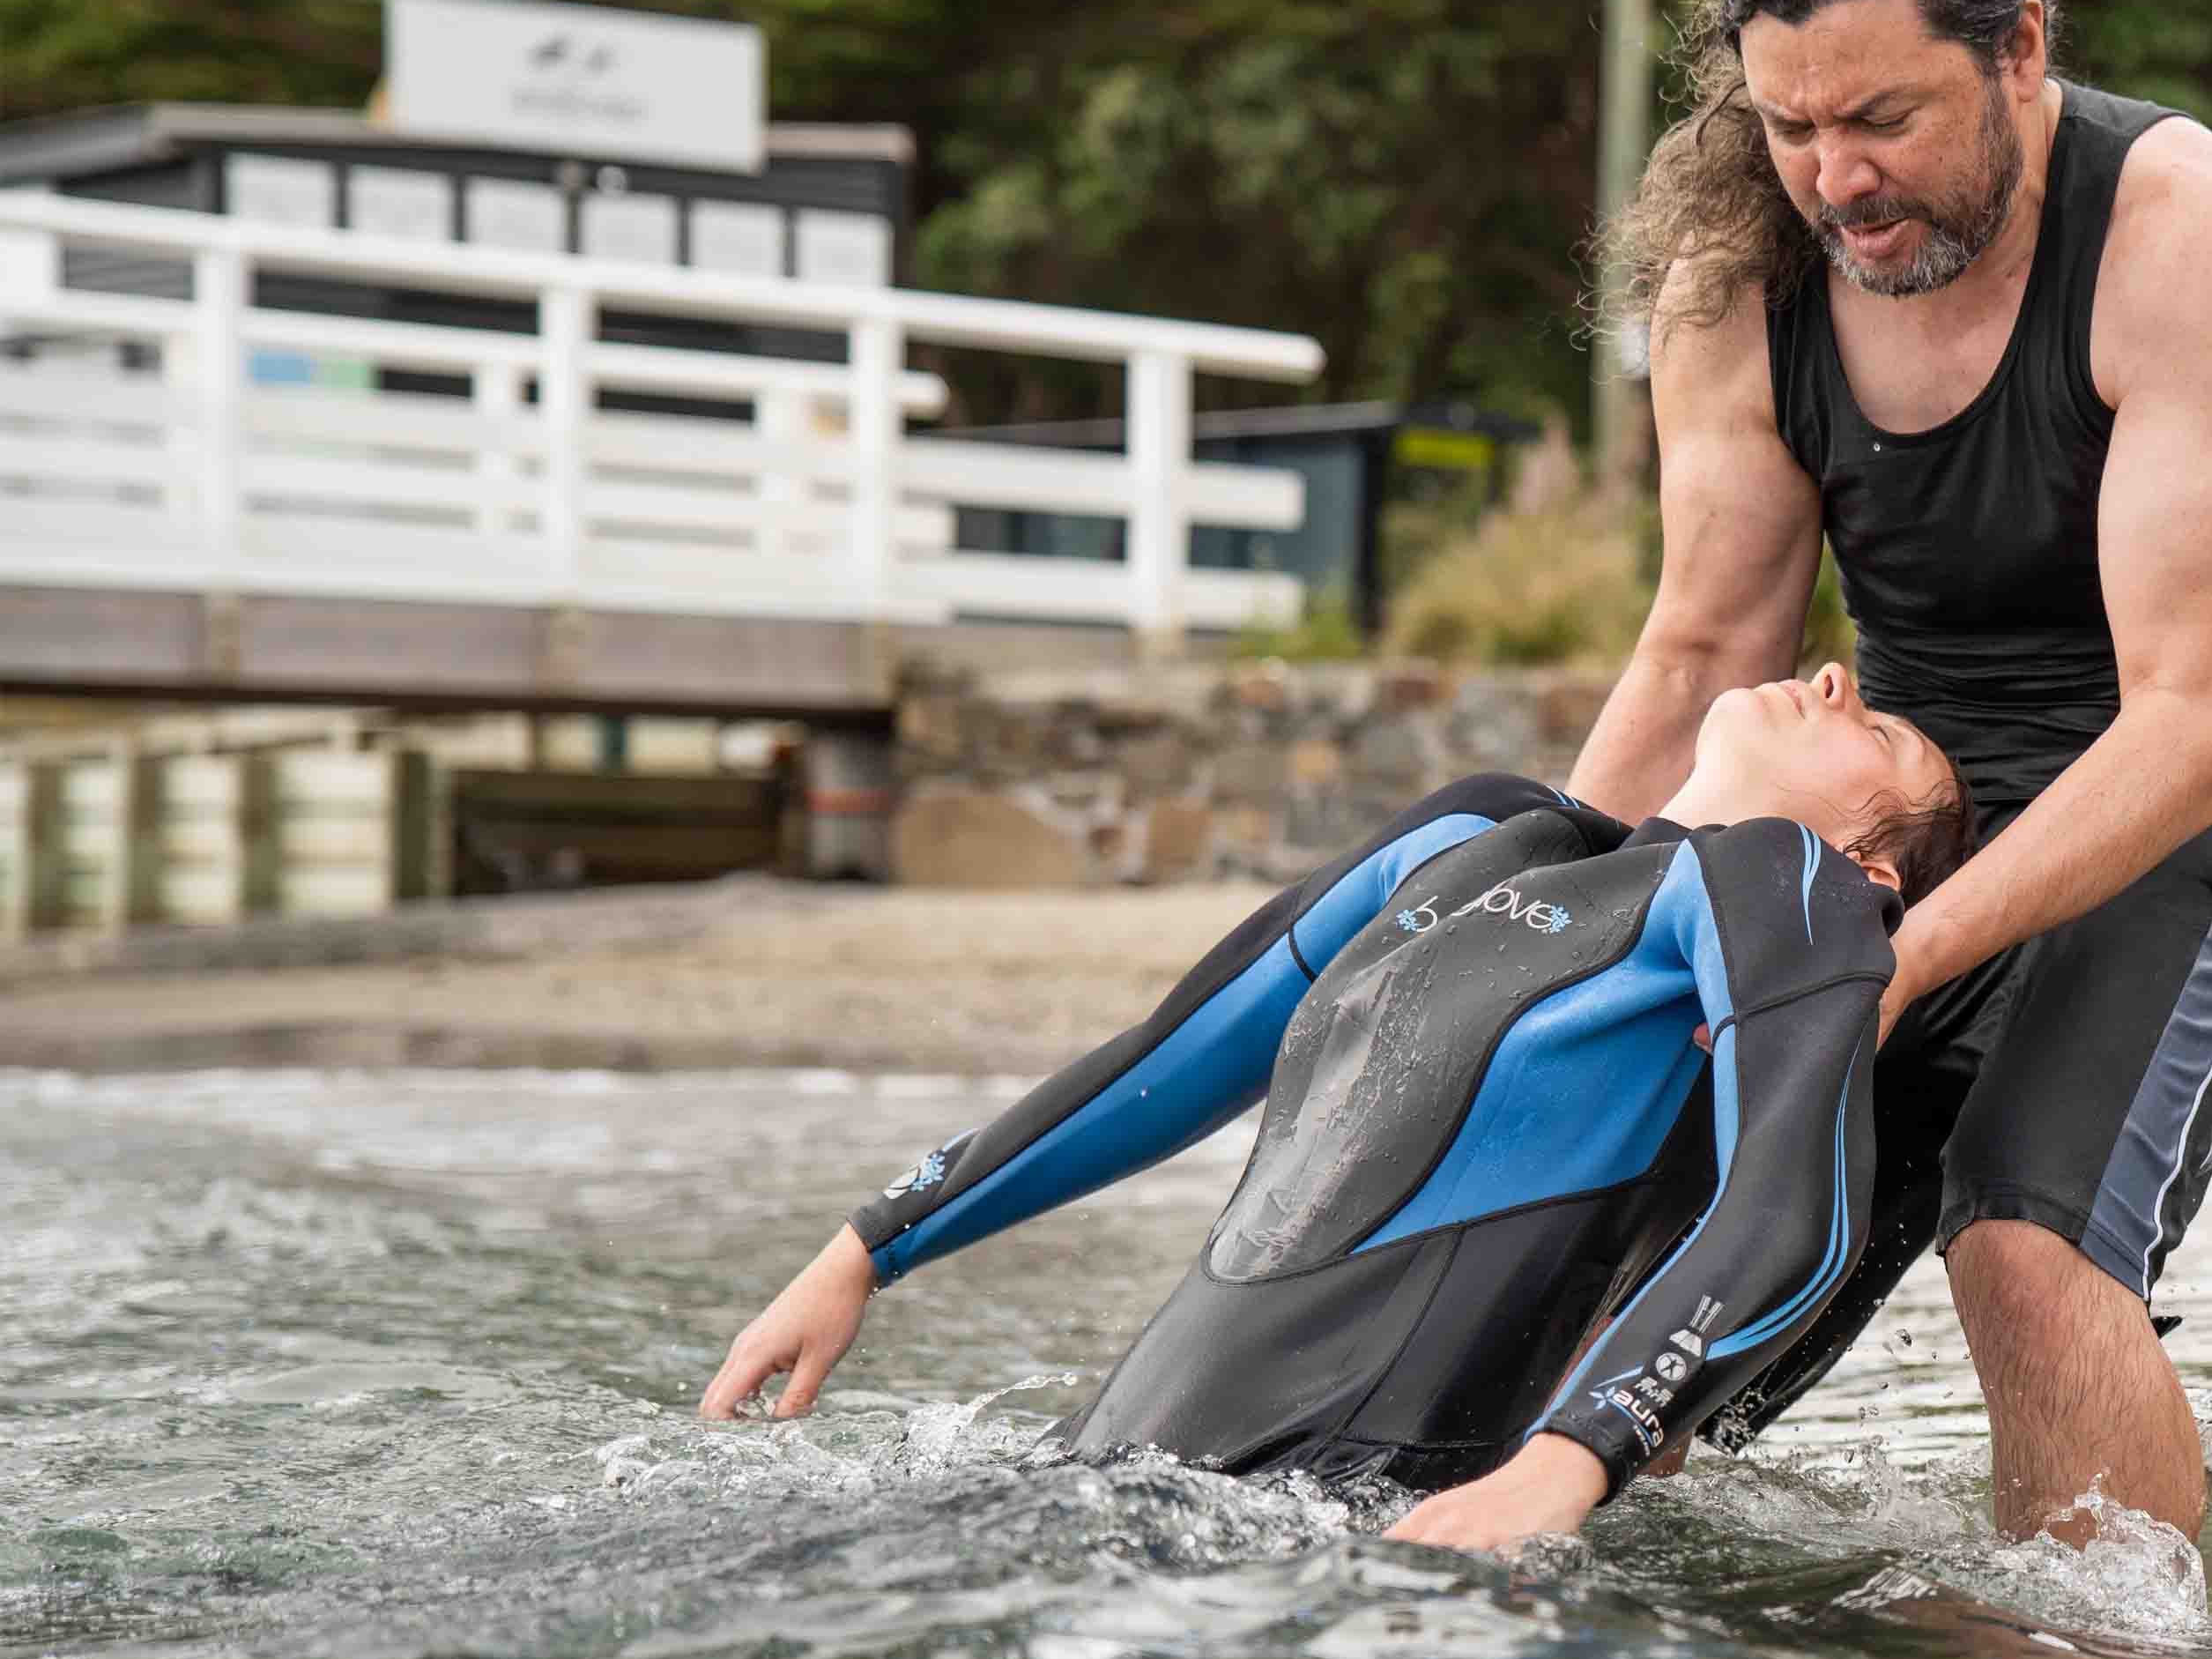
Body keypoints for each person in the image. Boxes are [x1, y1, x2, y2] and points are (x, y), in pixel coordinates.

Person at [1572, 0, 2212, 1546]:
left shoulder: (2188, 239)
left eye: (1884, 121)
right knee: (1624, 1249)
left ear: (2021, 50)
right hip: (1924, 786)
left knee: (2022, 1235)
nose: (1836, 179)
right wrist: (1539, 938)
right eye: (1791, 126)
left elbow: (2192, 724)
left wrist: (1897, 967)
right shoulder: (1737, 256)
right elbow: (1704, 650)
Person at [698, 666, 1975, 1555]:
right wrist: (870, 1247)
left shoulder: (1780, 886)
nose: (1828, 677)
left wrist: (1572, 1458)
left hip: (1337, 1533)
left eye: (1873, 733)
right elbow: (1170, 1056)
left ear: (1869, 871)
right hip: (1097, 1482)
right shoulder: (1486, 836)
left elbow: (1793, 1207)